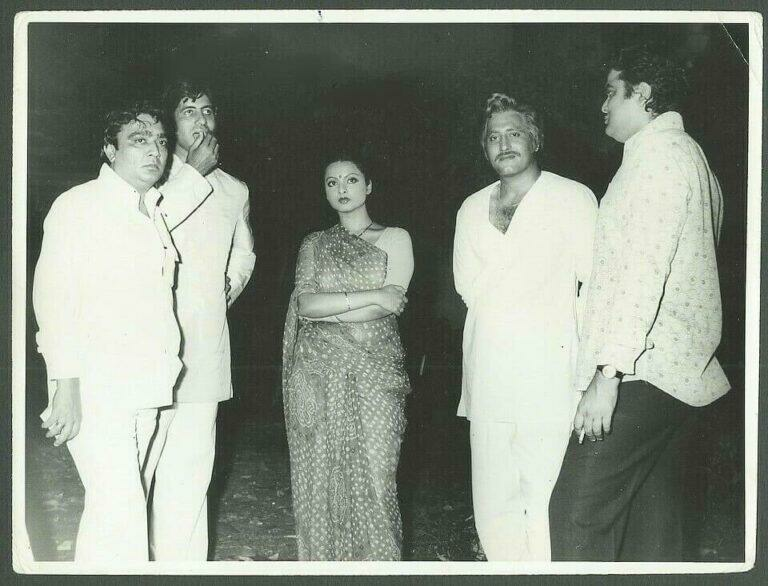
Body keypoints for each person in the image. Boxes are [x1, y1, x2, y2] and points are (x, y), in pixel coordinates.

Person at [549, 45, 731, 561]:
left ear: (643, 94)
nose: (602, 106)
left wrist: (608, 375)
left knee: (575, 516)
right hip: (682, 378)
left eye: (611, 93)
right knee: (655, 539)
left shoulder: (656, 160)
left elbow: (642, 271)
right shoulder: (692, 158)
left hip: (642, 372)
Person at [32, 102, 214, 562]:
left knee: (114, 514)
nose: (155, 151)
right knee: (121, 513)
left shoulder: (151, 211)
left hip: (146, 387)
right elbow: (54, 300)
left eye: (161, 142)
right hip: (95, 389)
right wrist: (65, 386)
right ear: (110, 149)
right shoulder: (79, 205)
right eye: (139, 140)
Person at [453, 94, 597, 561]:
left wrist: (591, 371)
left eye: (514, 133)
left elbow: (595, 282)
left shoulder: (572, 197)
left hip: (550, 375)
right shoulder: (470, 208)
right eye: (493, 137)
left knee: (545, 496)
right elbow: (467, 288)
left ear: (535, 139)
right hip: (488, 374)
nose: (504, 144)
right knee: (493, 504)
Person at [141, 81, 256, 561]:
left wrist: (229, 284)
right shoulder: (148, 176)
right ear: (171, 123)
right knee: (140, 466)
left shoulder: (235, 189)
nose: (200, 119)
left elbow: (244, 251)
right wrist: (193, 171)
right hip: (148, 344)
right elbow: (150, 230)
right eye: (188, 110)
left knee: (191, 469)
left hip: (205, 344)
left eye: (207, 110)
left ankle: (183, 565)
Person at [281, 155, 414, 560]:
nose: (342, 188)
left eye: (351, 179)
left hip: (377, 371)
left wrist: (333, 307)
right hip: (317, 373)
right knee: (320, 478)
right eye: (332, 182)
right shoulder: (314, 243)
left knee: (378, 477)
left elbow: (390, 306)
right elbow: (304, 304)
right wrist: (373, 294)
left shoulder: (396, 238)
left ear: (368, 186)